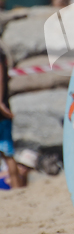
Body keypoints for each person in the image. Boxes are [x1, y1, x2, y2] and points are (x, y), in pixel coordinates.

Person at [0, 45, 20, 188]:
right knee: (7, 154)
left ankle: (17, 188)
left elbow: (0, 78)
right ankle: (17, 189)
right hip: (3, 108)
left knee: (7, 153)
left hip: (2, 110)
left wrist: (0, 102)